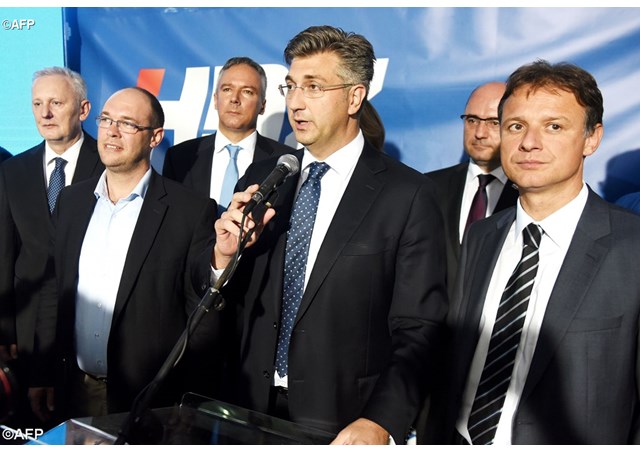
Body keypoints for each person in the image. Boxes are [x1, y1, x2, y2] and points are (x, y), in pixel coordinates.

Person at [210, 25, 447, 445]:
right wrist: (223, 260)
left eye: (314, 87)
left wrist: (382, 420)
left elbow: (419, 327)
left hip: (343, 421)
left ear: (355, 97)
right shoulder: (264, 178)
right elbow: (228, 303)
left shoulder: (408, 194)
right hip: (245, 408)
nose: (296, 102)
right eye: (291, 86)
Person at [421, 60, 640, 444]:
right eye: (516, 126)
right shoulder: (482, 236)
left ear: (592, 138)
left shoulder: (631, 246)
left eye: (554, 126)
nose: (529, 143)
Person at [28, 87, 220, 424]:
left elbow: (200, 317)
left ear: (155, 137)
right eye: (106, 120)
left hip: (150, 403)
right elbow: (52, 290)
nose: (112, 132)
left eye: (128, 124)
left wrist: (187, 401)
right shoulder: (72, 202)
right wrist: (43, 372)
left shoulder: (189, 212)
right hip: (74, 391)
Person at [0, 67, 103, 427]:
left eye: (56, 103)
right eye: (38, 104)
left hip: (88, 325)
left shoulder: (108, 163)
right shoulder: (13, 170)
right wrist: (4, 329)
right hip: (27, 334)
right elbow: (5, 253)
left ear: (83, 109)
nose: (45, 113)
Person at [163, 56, 294, 212]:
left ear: (262, 106)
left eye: (247, 91)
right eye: (227, 89)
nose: (234, 99)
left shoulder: (285, 163)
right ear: (215, 99)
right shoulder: (179, 157)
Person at [425, 82, 518, 297]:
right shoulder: (427, 188)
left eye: (494, 122)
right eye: (472, 120)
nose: (479, 133)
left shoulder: (528, 195)